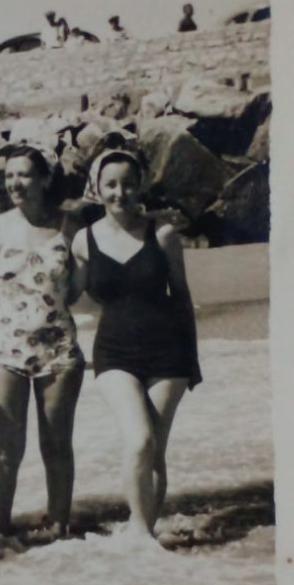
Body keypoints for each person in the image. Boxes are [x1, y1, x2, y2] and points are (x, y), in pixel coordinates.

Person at [72, 146, 202, 544]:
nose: (119, 192)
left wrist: (192, 361)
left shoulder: (162, 235)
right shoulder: (83, 240)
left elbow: (181, 298)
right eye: (110, 184)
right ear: (97, 187)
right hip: (114, 354)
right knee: (139, 440)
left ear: (140, 185)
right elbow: (68, 296)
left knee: (156, 452)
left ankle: (148, 533)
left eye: (128, 184)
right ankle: (140, 535)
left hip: (168, 354)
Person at [0, 146, 84, 537]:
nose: (15, 183)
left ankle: (59, 528)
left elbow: (74, 291)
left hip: (59, 351)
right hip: (5, 349)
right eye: (9, 177)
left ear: (44, 179)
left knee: (57, 447)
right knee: (6, 451)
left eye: (23, 175)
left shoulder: (69, 226)